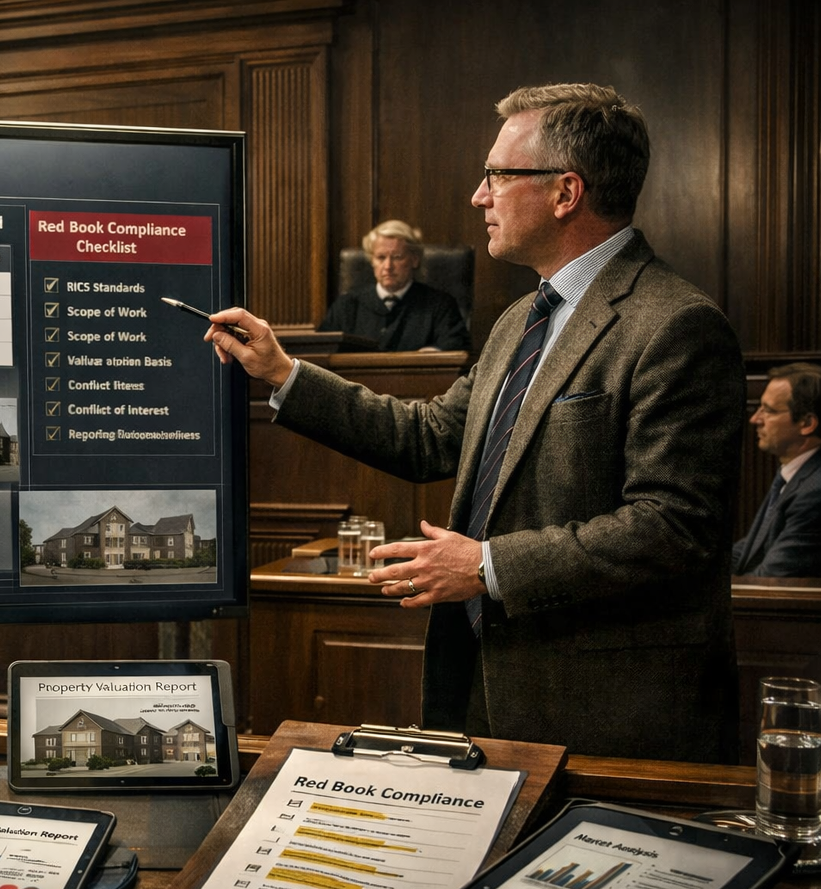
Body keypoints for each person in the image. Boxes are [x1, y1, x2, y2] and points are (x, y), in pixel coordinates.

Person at [204, 84, 746, 762]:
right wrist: (283, 373)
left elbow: (674, 528)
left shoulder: (675, 324)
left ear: (565, 192)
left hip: (607, 710)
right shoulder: (523, 318)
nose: (477, 196)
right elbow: (430, 436)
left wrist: (488, 566)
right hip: (488, 685)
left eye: (496, 175)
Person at [316, 220, 470, 352]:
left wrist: (435, 353)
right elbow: (322, 352)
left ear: (414, 260)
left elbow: (457, 348)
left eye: (397, 257)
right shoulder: (346, 306)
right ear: (372, 261)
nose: (388, 266)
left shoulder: (440, 305)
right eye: (381, 257)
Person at [732, 362, 821, 577]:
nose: (755, 419)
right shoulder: (794, 474)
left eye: (768, 410)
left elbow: (774, 577)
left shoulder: (815, 491)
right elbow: (749, 550)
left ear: (807, 423)